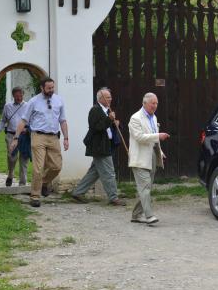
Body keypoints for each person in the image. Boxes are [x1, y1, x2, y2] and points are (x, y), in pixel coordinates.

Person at [11, 77, 69, 207]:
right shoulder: (33, 101)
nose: (51, 90)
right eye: (48, 88)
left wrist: (66, 138)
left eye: (52, 87)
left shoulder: (59, 100)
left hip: (54, 137)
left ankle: (43, 182)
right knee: (38, 168)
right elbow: (24, 120)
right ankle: (35, 196)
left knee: (56, 166)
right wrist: (16, 138)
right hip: (38, 136)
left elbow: (63, 120)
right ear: (42, 88)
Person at [71, 87, 126, 206]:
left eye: (110, 97)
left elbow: (108, 127)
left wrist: (115, 123)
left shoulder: (106, 111)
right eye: (107, 97)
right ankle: (113, 197)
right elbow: (96, 127)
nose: (110, 99)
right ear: (100, 99)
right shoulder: (95, 110)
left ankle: (78, 192)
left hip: (106, 145)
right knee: (109, 172)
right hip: (99, 147)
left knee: (94, 172)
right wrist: (109, 119)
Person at [128, 92, 170, 224]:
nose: (155, 105)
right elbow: (139, 137)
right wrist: (158, 135)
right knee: (145, 187)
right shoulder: (135, 118)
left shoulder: (154, 118)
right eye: (153, 103)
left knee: (147, 187)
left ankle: (136, 215)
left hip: (151, 156)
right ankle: (149, 216)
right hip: (139, 158)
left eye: (156, 103)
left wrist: (160, 152)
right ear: (144, 103)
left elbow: (154, 139)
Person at [0, 86, 29, 187]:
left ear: (23, 95)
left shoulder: (28, 106)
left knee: (24, 159)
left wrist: (27, 129)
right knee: (12, 157)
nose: (19, 98)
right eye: (16, 96)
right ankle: (10, 174)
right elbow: (3, 121)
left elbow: (32, 120)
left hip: (24, 136)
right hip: (11, 134)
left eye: (20, 96)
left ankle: (22, 184)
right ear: (13, 96)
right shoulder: (8, 106)